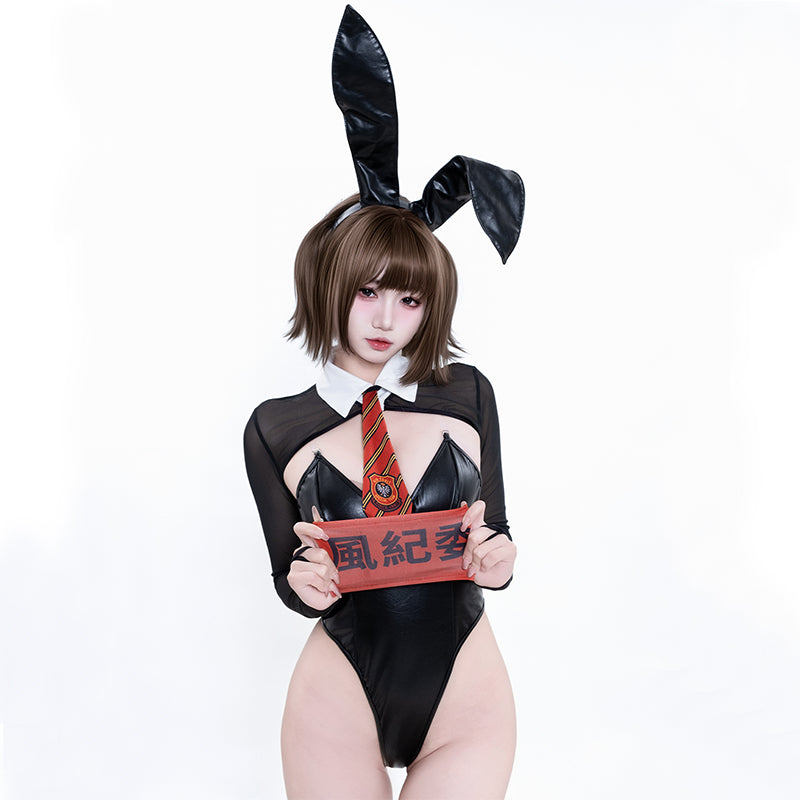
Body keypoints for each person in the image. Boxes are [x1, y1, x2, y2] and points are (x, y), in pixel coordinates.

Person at [244, 7, 524, 798]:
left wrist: (499, 561)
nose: (385, 320)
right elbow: (288, 574)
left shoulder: (467, 393)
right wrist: (302, 583)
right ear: (330, 285)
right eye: (367, 291)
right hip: (337, 695)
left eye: (409, 299)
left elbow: (496, 536)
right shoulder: (276, 426)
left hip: (466, 691)